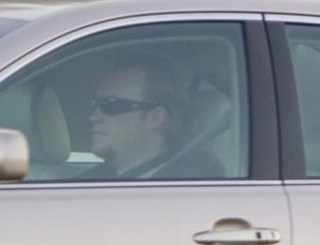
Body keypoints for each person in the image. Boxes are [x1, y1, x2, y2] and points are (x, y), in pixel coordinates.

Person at [87, 55, 223, 179]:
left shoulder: (184, 187)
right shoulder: (98, 177)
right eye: (95, 105)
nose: (93, 117)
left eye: (111, 105)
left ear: (155, 118)